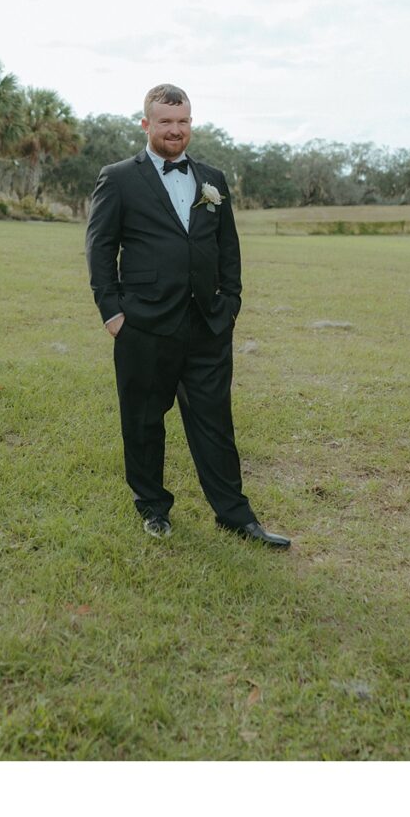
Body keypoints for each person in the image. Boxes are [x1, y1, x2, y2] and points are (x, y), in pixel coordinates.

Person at [85, 83, 290, 548]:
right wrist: (112, 313)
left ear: (190, 123)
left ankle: (236, 516)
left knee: (216, 422)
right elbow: (100, 247)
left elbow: (228, 247)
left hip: (207, 324)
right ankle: (153, 507)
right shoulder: (118, 177)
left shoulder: (212, 177)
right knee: (143, 420)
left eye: (183, 122)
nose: (175, 131)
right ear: (146, 125)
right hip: (144, 325)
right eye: (165, 122)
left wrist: (231, 302)